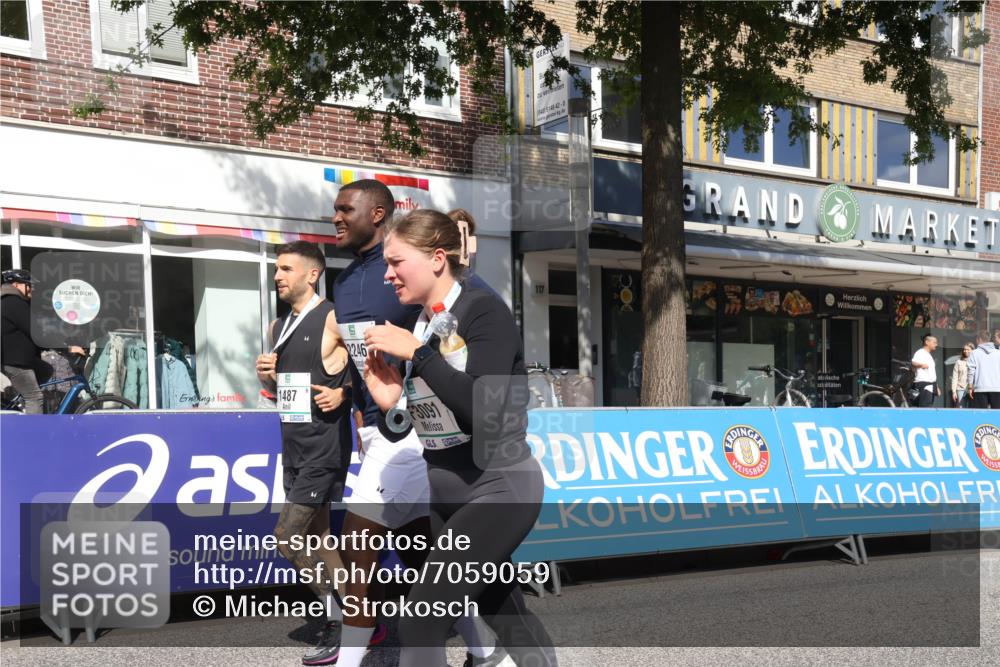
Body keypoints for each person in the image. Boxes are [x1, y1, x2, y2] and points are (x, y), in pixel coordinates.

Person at [364, 209, 556, 667]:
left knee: (421, 622)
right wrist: (395, 406)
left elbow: (483, 410)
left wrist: (421, 357)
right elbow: (434, 421)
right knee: (503, 610)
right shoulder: (423, 322)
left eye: (396, 262)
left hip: (497, 487)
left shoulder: (483, 310)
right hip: (446, 492)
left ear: (436, 258)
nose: (388, 274)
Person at [330, 180, 497, 667]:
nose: (336, 218)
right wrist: (350, 400)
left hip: (409, 432)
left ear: (377, 212)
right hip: (375, 425)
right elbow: (355, 351)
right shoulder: (343, 280)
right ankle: (487, 650)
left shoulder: (414, 271)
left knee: (356, 549)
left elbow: (468, 310)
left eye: (346, 209)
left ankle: (350, 660)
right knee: (424, 554)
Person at [253, 241, 356, 664]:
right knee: (319, 538)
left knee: (287, 537)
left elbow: (371, 370)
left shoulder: (333, 317)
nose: (277, 276)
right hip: (293, 447)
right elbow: (286, 395)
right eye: (277, 269)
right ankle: (353, 618)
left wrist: (344, 394)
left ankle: (345, 617)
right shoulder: (279, 328)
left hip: (323, 449)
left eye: (285, 269)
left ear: (312, 274)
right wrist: (268, 377)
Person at [968, 330, 1000, 409]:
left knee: (981, 416)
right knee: (997, 416)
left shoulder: (974, 353)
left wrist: (970, 386)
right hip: (997, 388)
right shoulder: (998, 353)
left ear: (979, 339)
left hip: (980, 388)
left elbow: (971, 371)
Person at [911, 333, 939, 407]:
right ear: (927, 342)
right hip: (924, 386)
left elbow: (931, 373)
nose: (936, 345)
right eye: (934, 342)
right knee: (924, 407)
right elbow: (913, 362)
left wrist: (937, 386)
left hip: (930, 386)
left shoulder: (928, 355)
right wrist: (921, 365)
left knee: (928, 407)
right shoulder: (920, 352)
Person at [951, 343, 973, 408]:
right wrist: (954, 391)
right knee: (961, 408)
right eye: (964, 349)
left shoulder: (975, 361)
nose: (965, 351)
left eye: (968, 349)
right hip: (960, 388)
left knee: (972, 409)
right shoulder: (958, 362)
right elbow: (954, 378)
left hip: (972, 389)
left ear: (972, 350)